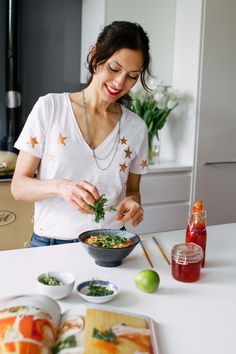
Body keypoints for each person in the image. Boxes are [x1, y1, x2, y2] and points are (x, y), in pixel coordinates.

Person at [11, 21, 151, 247]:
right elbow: (18, 187)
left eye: (132, 76)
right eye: (114, 69)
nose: (120, 83)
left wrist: (134, 204)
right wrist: (60, 186)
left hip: (111, 243)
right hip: (51, 244)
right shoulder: (50, 108)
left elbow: (133, 191)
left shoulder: (136, 127)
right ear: (95, 56)